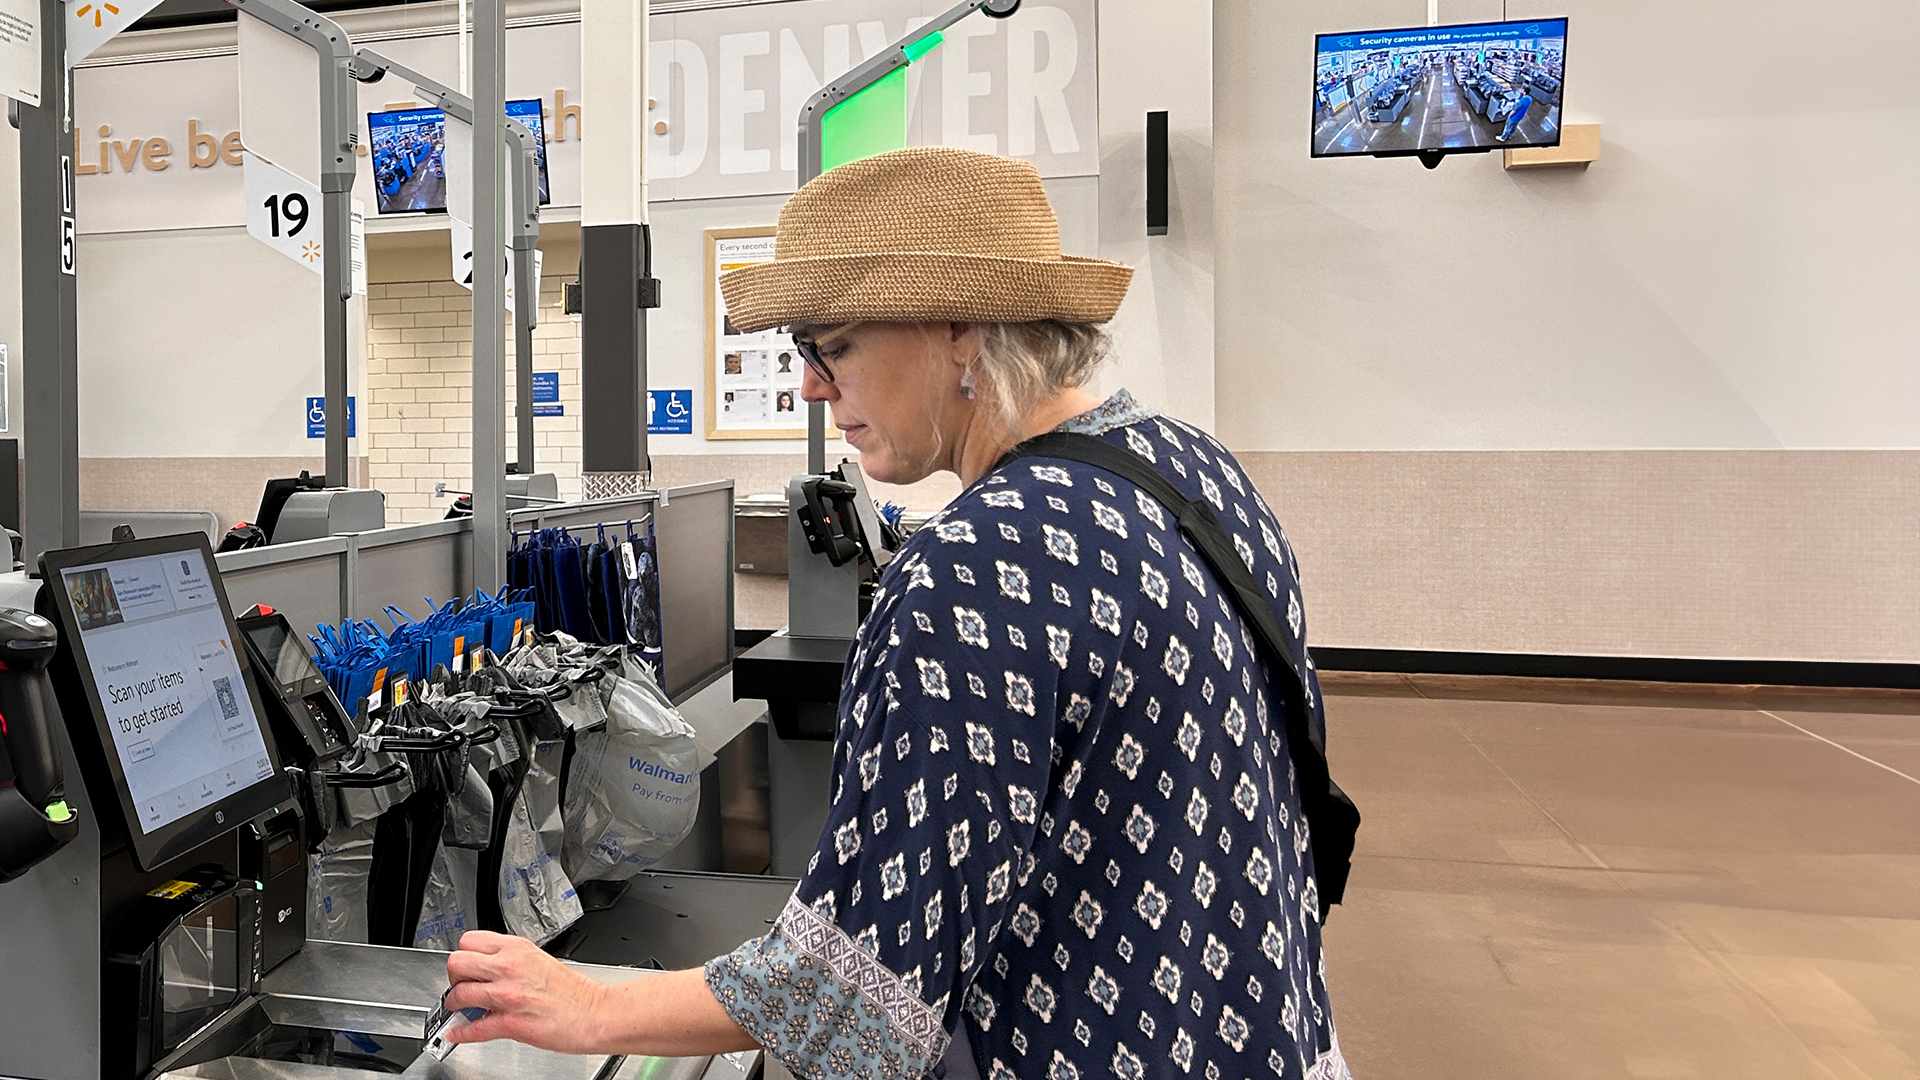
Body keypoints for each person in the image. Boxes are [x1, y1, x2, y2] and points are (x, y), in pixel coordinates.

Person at [441, 146, 1354, 1080]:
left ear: (961, 327)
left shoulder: (978, 566)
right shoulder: (1197, 470)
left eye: (830, 346)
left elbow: (854, 995)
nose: (809, 386)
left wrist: (588, 1002)